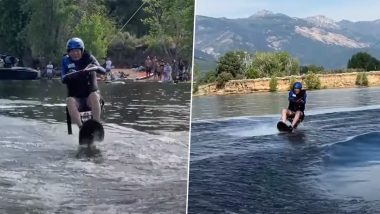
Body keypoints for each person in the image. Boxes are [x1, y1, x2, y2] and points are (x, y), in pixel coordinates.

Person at [61, 37, 107, 129]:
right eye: (72, 51)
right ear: (68, 52)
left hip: (90, 97)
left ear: (82, 50)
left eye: (77, 51)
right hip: (76, 99)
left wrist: (95, 67)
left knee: (94, 95)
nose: (75, 54)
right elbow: (62, 79)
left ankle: (96, 125)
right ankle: (81, 128)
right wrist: (70, 75)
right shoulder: (65, 61)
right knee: (69, 100)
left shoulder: (89, 57)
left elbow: (103, 70)